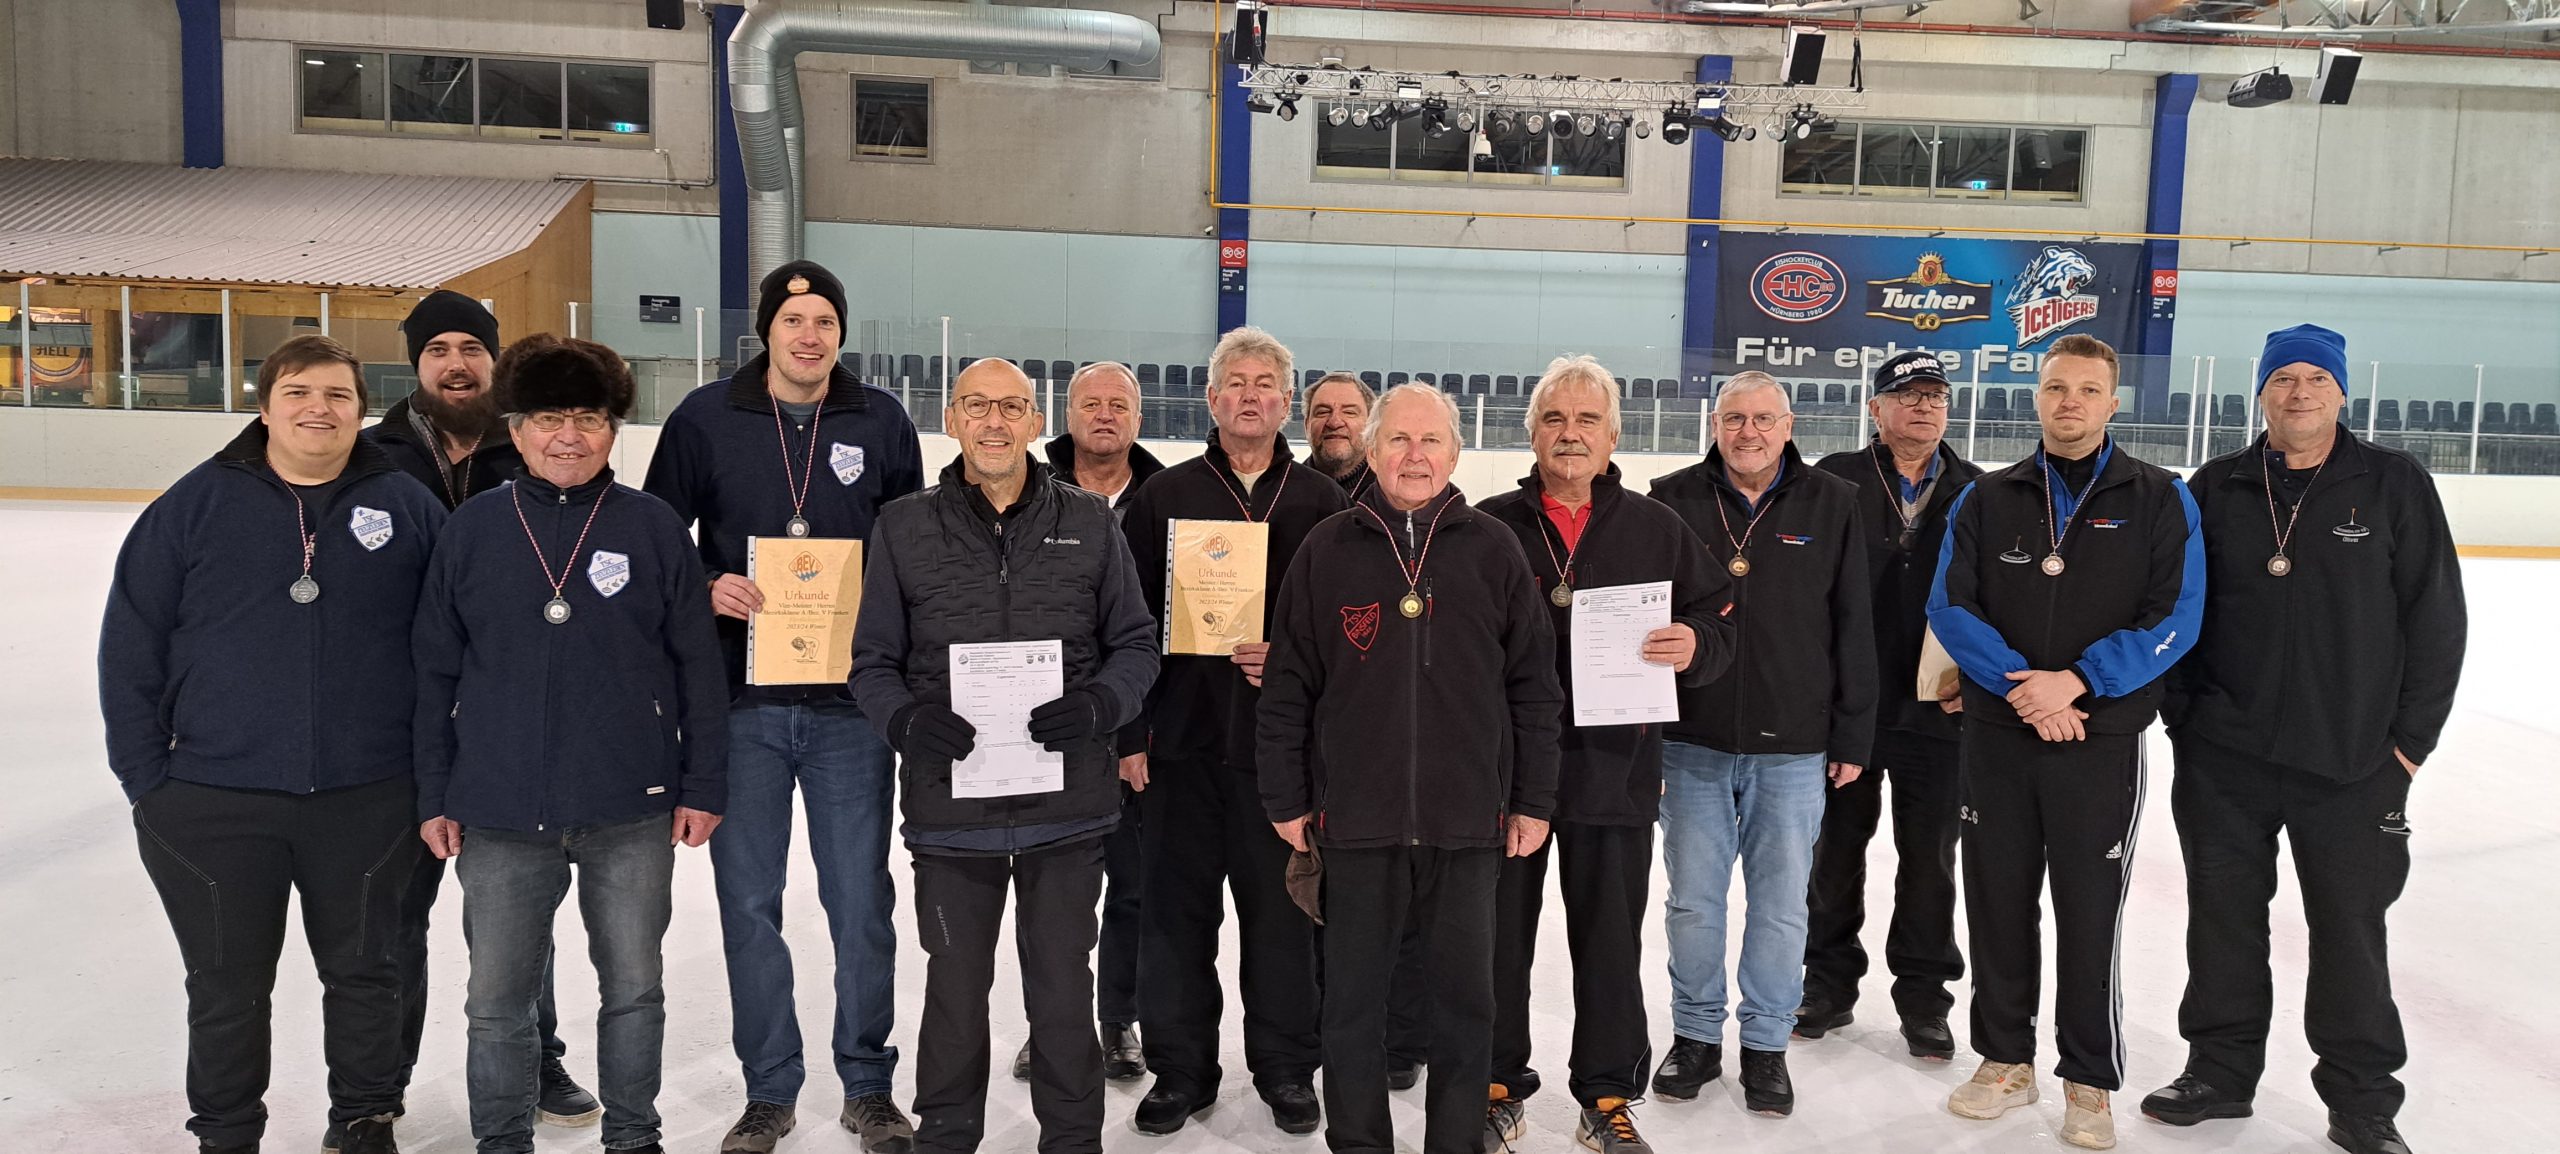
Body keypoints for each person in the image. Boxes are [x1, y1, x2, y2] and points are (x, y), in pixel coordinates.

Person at [102, 335, 445, 1154]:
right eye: (298, 392)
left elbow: (451, 649)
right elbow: (131, 648)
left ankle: (363, 1123)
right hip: (214, 801)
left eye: (337, 395)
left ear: (361, 410)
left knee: (367, 974)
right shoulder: (193, 506)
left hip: (370, 797)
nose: (317, 409)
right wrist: (150, 783)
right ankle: (227, 1136)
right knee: (227, 986)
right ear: (264, 407)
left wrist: (426, 778)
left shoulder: (408, 507)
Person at [2145, 325, 2464, 1154]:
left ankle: (2362, 1101)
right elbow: (2175, 610)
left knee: (2350, 931)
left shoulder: (2392, 483)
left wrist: (2408, 747)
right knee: (2222, 920)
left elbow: (2436, 619)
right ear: (2260, 392)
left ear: (2341, 392)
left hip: (2353, 764)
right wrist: (2186, 720)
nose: (2298, 392)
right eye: (2282, 378)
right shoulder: (2216, 486)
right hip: (2224, 758)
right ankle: (2220, 1071)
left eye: (2315, 378)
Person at [412, 335, 728, 1154]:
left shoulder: (654, 528)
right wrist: (434, 793)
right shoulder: (473, 530)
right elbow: (433, 674)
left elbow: (698, 669)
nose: (569, 436)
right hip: (499, 811)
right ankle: (501, 1142)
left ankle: (634, 1137)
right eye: (549, 418)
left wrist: (704, 784)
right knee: (496, 1003)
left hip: (630, 809)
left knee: (634, 991)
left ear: (613, 429)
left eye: (588, 418)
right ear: (515, 430)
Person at [643, 260, 925, 1154]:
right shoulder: (703, 419)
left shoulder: (881, 420)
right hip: (742, 707)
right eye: (794, 320)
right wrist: (706, 584)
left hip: (851, 710)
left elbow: (912, 549)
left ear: (841, 334)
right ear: (765, 331)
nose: (810, 336)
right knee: (749, 905)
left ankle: (868, 1085)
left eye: (825, 322)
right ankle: (770, 1090)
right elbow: (656, 542)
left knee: (860, 904)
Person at [850, 358, 1161, 1154]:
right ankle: (948, 1136)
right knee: (955, 994)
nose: (995, 422)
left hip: (1068, 813)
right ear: (951, 419)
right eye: (978, 406)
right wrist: (907, 722)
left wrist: (1100, 706)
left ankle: (1073, 1140)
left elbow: (1136, 644)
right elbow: (872, 663)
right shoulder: (902, 526)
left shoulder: (1090, 520)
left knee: (1062, 995)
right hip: (951, 816)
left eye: (1012, 407)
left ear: (1035, 421)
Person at [1259, 382, 1564, 1154]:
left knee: (1463, 1010)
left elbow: (1533, 688)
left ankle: (1454, 1143)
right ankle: (1360, 1143)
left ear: (1456, 454)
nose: (1415, 455)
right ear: (1372, 450)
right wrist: (1286, 796)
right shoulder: (1326, 549)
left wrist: (1533, 799)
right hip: (1357, 822)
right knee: (1352, 1009)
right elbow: (1289, 685)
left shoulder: (1494, 549)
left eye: (1431, 441)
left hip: (1468, 824)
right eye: (1398, 439)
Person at [1927, 333, 2204, 1150]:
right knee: (1996, 901)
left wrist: (2079, 681)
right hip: (2000, 737)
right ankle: (2004, 1061)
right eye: (2056, 387)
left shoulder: (2161, 497)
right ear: (2037, 397)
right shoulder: (1986, 497)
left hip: (2098, 740)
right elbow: (1950, 607)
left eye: (2087, 389)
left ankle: (2089, 1076)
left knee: (2090, 913)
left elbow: (2176, 616)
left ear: (2113, 402)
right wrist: (2026, 689)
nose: (2070, 402)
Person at [1476, 357, 1734, 1154]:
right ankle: (1495, 1085)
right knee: (1496, 939)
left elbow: (1718, 620)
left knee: (1610, 943)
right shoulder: (1489, 526)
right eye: (1555, 419)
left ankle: (1607, 1095)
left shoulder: (1657, 527)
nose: (1571, 434)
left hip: (1615, 769)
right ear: (1531, 433)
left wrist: (1696, 643)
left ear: (1614, 436)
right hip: (1506, 776)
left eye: (1587, 420)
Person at [370, 291, 586, 1138]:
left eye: (471, 348)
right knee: (394, 915)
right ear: (416, 363)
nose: (456, 364)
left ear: (495, 360)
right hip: (402, 722)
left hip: (515, 718)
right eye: (438, 350)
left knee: (518, 913)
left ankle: (536, 1059)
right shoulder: (375, 456)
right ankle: (378, 1082)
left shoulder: (533, 445)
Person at [1120, 328, 1345, 1137]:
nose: (1251, 396)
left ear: (1287, 403)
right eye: (1236, 384)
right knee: (1173, 920)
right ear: (1212, 400)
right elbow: (1125, 624)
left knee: (1282, 921)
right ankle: (1180, 1070)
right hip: (1178, 750)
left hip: (1281, 760)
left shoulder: (1324, 504)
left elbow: (1351, 633)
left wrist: (1291, 659)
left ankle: (1286, 1068)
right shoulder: (1164, 496)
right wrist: (1130, 734)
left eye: (1265, 384)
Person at [1642, 372, 1873, 1118]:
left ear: (1789, 425)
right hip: (1691, 741)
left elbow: (1853, 623)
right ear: (1715, 425)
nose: (1749, 432)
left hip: (1794, 747)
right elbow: (1645, 621)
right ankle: (1695, 1037)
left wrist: (1852, 732)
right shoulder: (1670, 498)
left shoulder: (1833, 502)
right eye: (1735, 418)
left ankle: (1767, 1045)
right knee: (1693, 904)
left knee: (1780, 908)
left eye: (1763, 419)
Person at [1799, 351, 1985, 1061]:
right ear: (1875, 408)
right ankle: (1827, 984)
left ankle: (1924, 998)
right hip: (1847, 710)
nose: (1925, 405)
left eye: (1936, 394)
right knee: (1834, 852)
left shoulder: (1978, 489)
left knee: (1931, 860)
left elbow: (1995, 598)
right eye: (1908, 394)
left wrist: (1982, 678)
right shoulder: (1833, 480)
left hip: (1938, 712)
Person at [1012, 360, 1165, 1084]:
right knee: (1050, 894)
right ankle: (1050, 1024)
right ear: (1065, 416)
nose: (1105, 415)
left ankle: (1117, 1021)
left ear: (1138, 418)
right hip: (1041, 723)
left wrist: (1135, 730)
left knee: (1132, 887)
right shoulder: (1026, 486)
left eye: (1119, 405)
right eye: (1091, 403)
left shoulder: (1166, 498)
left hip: (1134, 723)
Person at [1303, 371, 1375, 495]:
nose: (1335, 422)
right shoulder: (1281, 490)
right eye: (1323, 412)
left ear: (1371, 425)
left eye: (1349, 412)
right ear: (1306, 425)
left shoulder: (1394, 494)